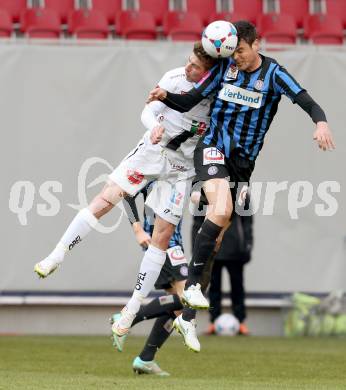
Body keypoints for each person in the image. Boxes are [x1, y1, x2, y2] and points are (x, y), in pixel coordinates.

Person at [147, 20, 335, 351]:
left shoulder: (274, 74)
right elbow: (190, 98)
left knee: (216, 241)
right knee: (220, 209)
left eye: (242, 51)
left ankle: (188, 317)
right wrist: (166, 95)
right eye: (233, 52)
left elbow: (306, 99)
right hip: (212, 148)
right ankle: (188, 295)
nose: (237, 58)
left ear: (256, 44)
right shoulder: (224, 69)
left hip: (242, 166)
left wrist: (320, 122)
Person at [34, 42, 217, 344]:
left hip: (180, 169)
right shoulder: (173, 79)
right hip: (152, 153)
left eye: (195, 66)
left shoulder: (214, 97)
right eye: (188, 62)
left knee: (163, 236)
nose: (188, 68)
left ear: (208, 72)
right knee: (107, 198)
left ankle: (131, 310)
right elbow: (147, 111)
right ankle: (57, 255)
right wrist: (155, 126)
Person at [111, 182, 186, 376]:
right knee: (186, 300)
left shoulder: (183, 169)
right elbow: (125, 195)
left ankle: (146, 359)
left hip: (171, 244)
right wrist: (137, 230)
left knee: (176, 307)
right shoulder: (154, 169)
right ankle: (127, 318)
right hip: (164, 246)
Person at [192, 192, 253, 336]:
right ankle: (213, 321)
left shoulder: (241, 191)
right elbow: (197, 222)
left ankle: (241, 321)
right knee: (213, 286)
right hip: (212, 246)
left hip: (235, 247)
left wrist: (248, 244)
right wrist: (196, 248)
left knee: (237, 286)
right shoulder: (207, 190)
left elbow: (247, 222)